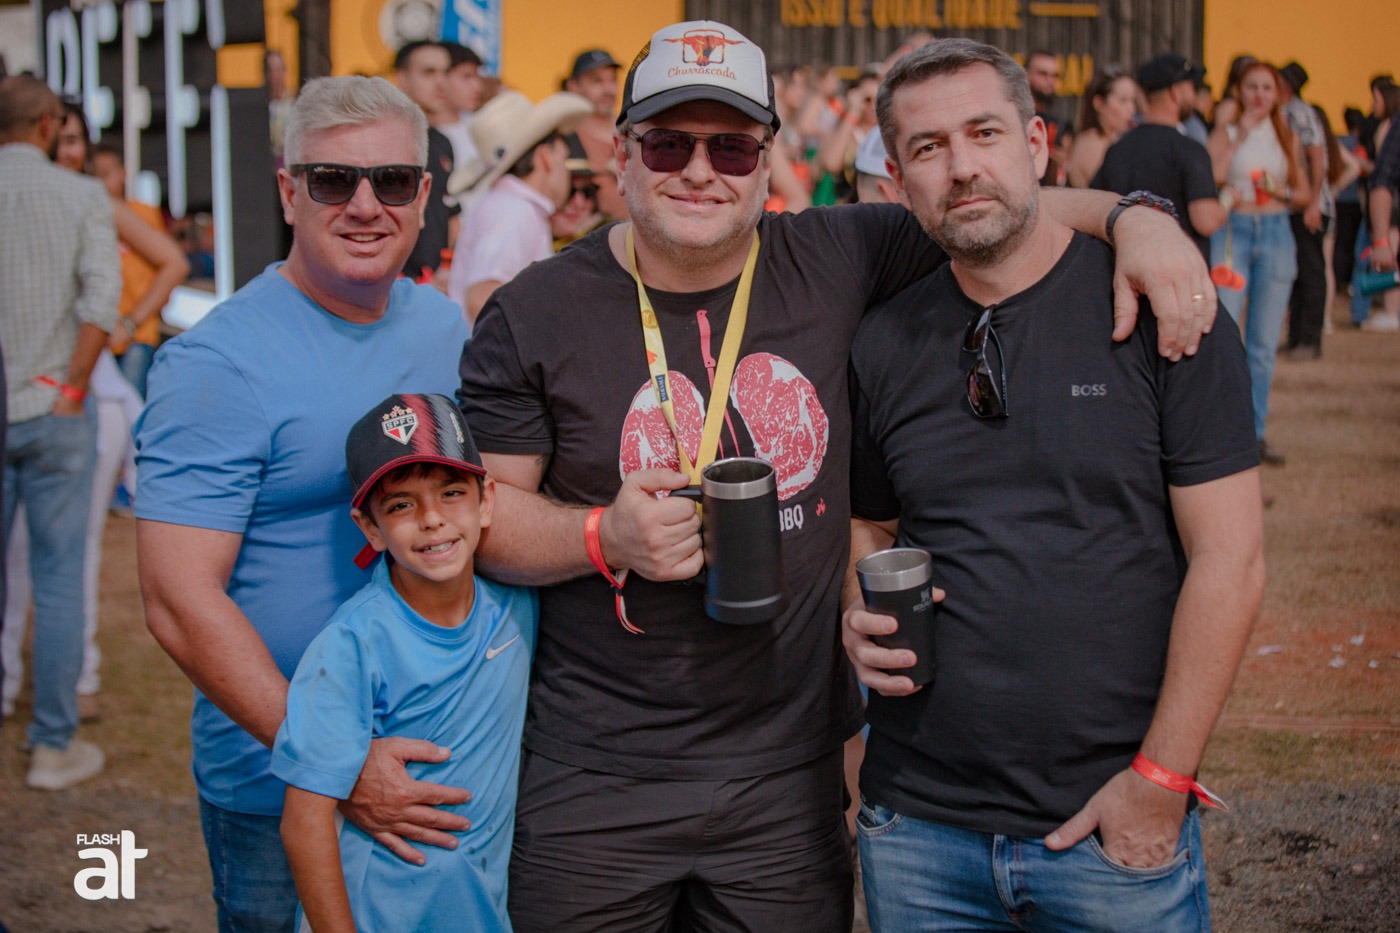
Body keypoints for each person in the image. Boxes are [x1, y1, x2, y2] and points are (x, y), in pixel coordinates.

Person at [456, 18, 1215, 931]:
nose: (699, 170)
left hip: (787, 777)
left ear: (767, 160)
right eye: (667, 143)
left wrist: (1140, 218)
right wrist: (600, 534)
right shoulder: (534, 311)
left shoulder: (840, 254)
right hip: (596, 777)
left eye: (732, 146)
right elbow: (483, 519)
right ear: (620, 153)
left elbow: (989, 202)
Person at [843, 38, 1265, 931]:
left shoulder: (1161, 308)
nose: (962, 167)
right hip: (917, 829)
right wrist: (857, 605)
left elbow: (1232, 560)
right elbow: (869, 524)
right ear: (899, 182)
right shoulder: (882, 341)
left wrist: (1161, 780)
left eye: (984, 133)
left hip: (1108, 827)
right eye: (928, 148)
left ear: (1037, 145)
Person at [134, 76, 472, 932]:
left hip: (441, 765)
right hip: (279, 783)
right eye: (332, 180)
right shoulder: (216, 362)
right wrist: (343, 763)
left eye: (392, 180)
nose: (365, 204)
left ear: (423, 194)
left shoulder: (444, 328)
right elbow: (178, 602)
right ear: (289, 192)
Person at [274, 393, 536, 933]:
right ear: (370, 528)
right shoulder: (351, 643)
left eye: (452, 493)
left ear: (487, 500)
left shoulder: (517, 605)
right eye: (400, 505)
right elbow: (303, 823)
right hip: (376, 915)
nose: (432, 519)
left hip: (476, 910)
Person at [0, 76, 119, 791]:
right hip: (54, 403)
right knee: (59, 577)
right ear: (48, 124)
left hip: (35, 398)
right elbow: (102, 299)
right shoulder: (79, 195)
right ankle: (52, 742)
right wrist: (73, 389)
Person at [1207, 61, 1310, 465]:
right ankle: (1220, 432)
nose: (1259, 95)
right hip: (1232, 232)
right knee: (1225, 334)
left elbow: (1304, 194)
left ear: (1277, 94)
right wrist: (1239, 136)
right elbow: (1211, 175)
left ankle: (1255, 434)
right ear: (1239, 90)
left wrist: (1279, 190)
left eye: (1267, 88)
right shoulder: (1227, 131)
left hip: (1275, 233)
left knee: (1263, 345)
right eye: (1252, 86)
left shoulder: (1286, 135)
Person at [445, 89, 591, 324]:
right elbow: (482, 297)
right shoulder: (513, 211)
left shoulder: (511, 207)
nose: (565, 171)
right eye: (563, 159)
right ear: (545, 156)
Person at [1094, 53, 1228, 259]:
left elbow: (1097, 209)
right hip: (1181, 271)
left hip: (1126, 268)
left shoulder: (1117, 149)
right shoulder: (1190, 150)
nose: (1194, 95)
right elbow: (1206, 221)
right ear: (1176, 92)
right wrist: (1229, 199)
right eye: (1191, 88)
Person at [1277, 62, 1330, 360]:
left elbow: (1317, 156)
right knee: (1296, 273)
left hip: (1307, 204)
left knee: (1310, 273)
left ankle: (1310, 339)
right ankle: (1297, 337)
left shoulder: (1299, 112)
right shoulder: (1285, 110)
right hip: (1293, 203)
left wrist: (1312, 203)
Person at [394, 40, 459, 280]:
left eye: (445, 72)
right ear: (402, 78)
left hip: (436, 283)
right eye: (429, 72)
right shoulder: (385, 141)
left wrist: (447, 268)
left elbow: (451, 214)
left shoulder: (442, 142)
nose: (441, 82)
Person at [565, 48, 627, 221]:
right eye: (597, 81)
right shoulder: (566, 138)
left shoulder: (635, 130)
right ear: (573, 86)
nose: (608, 89)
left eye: (612, 80)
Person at [1065, 65, 1137, 188]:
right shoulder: (1091, 144)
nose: (1132, 109)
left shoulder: (1114, 139)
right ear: (1099, 103)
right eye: (1123, 100)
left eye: (1133, 100)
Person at [438, 41, 485, 168]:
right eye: (466, 77)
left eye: (477, 77)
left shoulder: (482, 126)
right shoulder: (418, 135)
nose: (477, 87)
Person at [1026, 50, 1070, 184]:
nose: (1050, 81)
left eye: (1054, 76)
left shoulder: (1060, 124)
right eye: (1043, 74)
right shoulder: (1014, 117)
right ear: (1026, 74)